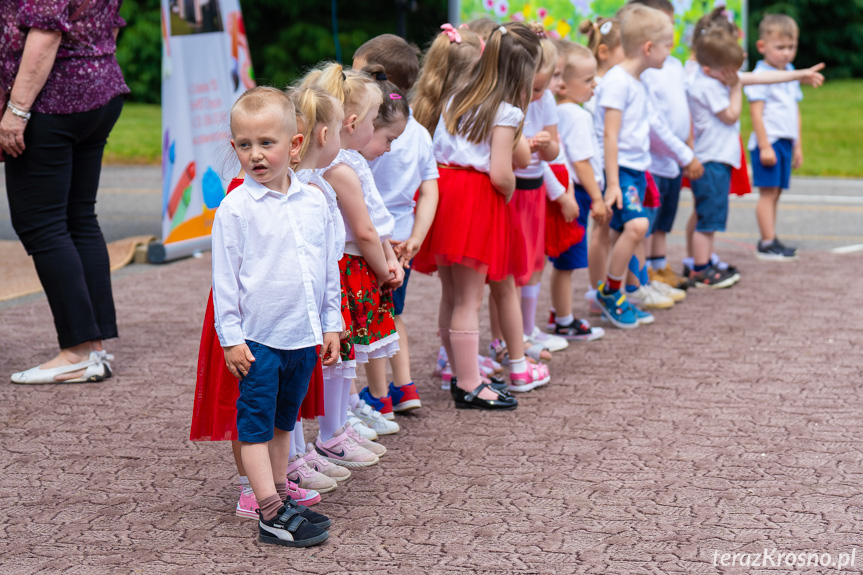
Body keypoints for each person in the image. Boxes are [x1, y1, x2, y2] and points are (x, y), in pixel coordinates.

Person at [211, 87, 340, 547]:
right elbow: (224, 280)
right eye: (245, 145)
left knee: (286, 423)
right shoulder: (236, 209)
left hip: (301, 336)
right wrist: (230, 338)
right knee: (256, 425)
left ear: (296, 145)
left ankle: (282, 496)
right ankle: (268, 512)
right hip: (259, 339)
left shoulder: (314, 201)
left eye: (267, 143)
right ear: (234, 148)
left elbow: (326, 269)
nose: (256, 154)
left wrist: (332, 324)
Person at [3, 2, 128, 384]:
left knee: (42, 224)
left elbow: (46, 32)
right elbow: (111, 25)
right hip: (97, 91)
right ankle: (94, 348)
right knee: (78, 218)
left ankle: (76, 350)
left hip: (54, 103)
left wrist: (17, 112)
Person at [418, 22, 541, 409]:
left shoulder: (456, 96)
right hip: (475, 197)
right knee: (469, 299)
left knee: (452, 293)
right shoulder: (505, 111)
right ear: (523, 72)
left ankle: (459, 371)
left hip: (445, 191)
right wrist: (504, 193)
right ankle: (470, 383)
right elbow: (503, 172)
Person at [306, 63, 403, 460]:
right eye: (374, 118)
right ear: (351, 122)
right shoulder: (342, 168)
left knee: (345, 356)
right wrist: (385, 268)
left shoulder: (345, 163)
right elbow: (363, 231)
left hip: (354, 263)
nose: (376, 126)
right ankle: (333, 431)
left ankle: (339, 426)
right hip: (351, 267)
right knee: (341, 356)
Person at [353, 34, 439, 415]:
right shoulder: (418, 132)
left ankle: (379, 396)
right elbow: (431, 187)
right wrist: (418, 236)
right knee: (394, 316)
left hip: (371, 241)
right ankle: (405, 387)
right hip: (405, 239)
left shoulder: (368, 133)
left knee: (374, 322)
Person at [593, 4, 673, 328]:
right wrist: (613, 183)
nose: (671, 51)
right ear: (649, 48)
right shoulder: (617, 82)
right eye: (668, 45)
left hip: (636, 169)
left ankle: (624, 291)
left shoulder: (636, 82)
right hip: (621, 170)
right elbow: (610, 136)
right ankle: (610, 291)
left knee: (627, 232)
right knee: (637, 226)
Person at [629, 0, 701, 295]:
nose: (670, 29)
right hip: (655, 161)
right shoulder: (646, 71)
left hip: (672, 160)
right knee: (647, 222)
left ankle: (659, 269)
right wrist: (682, 152)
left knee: (663, 222)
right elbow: (653, 122)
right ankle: (642, 279)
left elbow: (683, 104)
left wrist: (688, 143)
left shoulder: (673, 65)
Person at [546, 40, 607, 341]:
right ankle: (564, 319)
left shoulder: (562, 112)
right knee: (568, 263)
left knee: (564, 262)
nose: (594, 84)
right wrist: (597, 198)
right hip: (578, 194)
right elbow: (582, 163)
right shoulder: (578, 116)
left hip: (567, 191)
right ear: (563, 86)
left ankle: (560, 313)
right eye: (587, 80)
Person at [746, 14, 805, 261]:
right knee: (768, 193)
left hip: (785, 141)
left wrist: (798, 145)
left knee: (777, 192)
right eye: (780, 47)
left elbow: (795, 110)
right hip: (768, 142)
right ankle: (767, 242)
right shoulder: (760, 74)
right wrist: (764, 145)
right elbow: (756, 114)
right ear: (762, 46)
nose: (786, 53)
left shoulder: (790, 72)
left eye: (791, 47)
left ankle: (771, 236)